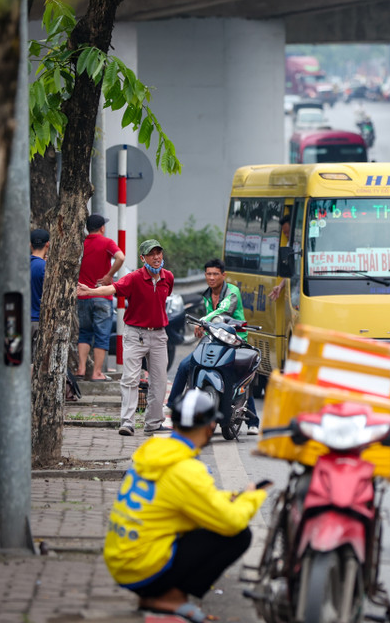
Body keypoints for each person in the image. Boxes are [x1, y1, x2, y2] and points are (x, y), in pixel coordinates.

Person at [103, 389, 267, 622]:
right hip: (141, 568)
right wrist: (252, 497)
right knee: (239, 535)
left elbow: (195, 500)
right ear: (211, 427)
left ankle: (153, 595)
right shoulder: (186, 469)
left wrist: (229, 497)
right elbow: (231, 521)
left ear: (175, 423)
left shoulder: (153, 451)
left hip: (120, 559)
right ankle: (170, 597)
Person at [77, 239, 173, 436]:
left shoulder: (168, 277)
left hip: (159, 334)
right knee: (130, 379)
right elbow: (112, 289)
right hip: (135, 334)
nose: (156, 257)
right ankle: (127, 422)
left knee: (160, 380)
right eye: (151, 254)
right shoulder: (134, 278)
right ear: (142, 258)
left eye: (158, 253)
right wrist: (91, 291)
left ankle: (153, 423)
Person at [169, 258, 260, 435]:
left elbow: (223, 311)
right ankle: (172, 405)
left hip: (235, 340)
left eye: (215, 274)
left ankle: (253, 421)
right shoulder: (207, 295)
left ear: (223, 275)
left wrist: (204, 321)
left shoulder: (232, 292)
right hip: (214, 341)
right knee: (185, 365)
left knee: (239, 376)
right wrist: (203, 328)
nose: (211, 278)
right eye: (208, 274)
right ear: (205, 275)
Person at [77, 213, 125, 381]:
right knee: (102, 335)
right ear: (102, 228)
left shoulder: (80, 244)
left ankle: (81, 369)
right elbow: (121, 257)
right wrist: (108, 275)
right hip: (102, 295)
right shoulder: (107, 243)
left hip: (82, 295)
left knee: (84, 333)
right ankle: (97, 373)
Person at [30, 228, 50, 341]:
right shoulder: (46, 267)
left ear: (30, 245)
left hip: (19, 319)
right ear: (47, 244)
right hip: (38, 320)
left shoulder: (20, 265)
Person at [268, 215, 292, 301]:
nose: (286, 235)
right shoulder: (289, 245)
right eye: (284, 233)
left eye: (288, 232)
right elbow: (290, 272)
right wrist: (280, 286)